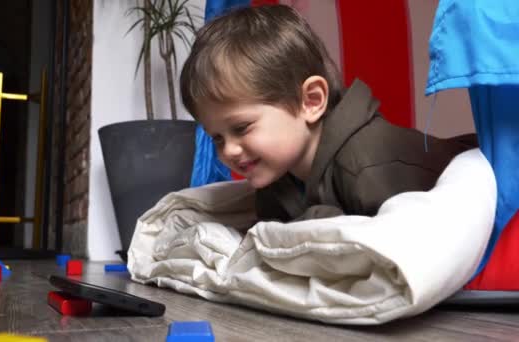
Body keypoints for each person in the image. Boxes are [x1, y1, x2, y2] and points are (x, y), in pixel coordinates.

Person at [179, 4, 476, 222]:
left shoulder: (367, 165)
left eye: (242, 127)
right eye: (216, 138)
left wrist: (321, 219)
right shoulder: (274, 174)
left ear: (311, 101)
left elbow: (409, 248)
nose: (229, 150)